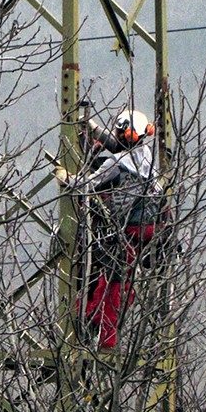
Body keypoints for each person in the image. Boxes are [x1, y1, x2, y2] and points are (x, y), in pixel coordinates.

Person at [54, 109, 165, 349]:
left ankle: (104, 338)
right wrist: (94, 130)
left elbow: (86, 184)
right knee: (122, 284)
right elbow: (118, 146)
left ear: (126, 134)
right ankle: (95, 322)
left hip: (128, 230)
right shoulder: (145, 156)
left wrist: (65, 178)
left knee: (113, 286)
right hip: (151, 230)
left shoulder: (115, 164)